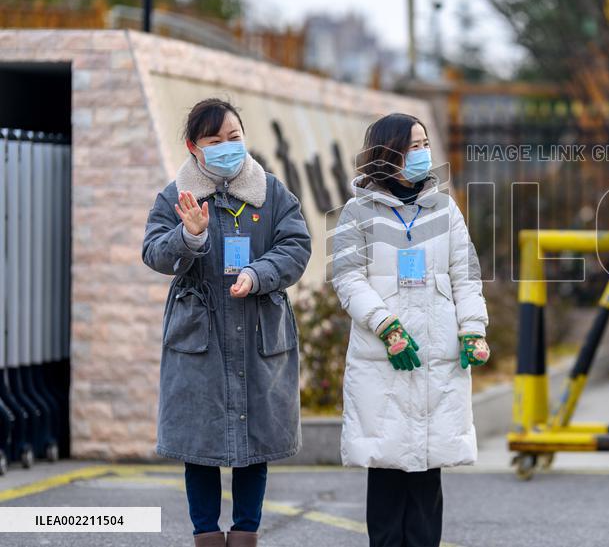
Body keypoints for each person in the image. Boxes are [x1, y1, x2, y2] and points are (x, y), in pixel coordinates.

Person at [142, 98, 311, 547]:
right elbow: (154, 252)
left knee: (254, 445)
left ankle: (245, 535)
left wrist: (258, 274)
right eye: (214, 140)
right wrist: (190, 234)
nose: (227, 147)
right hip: (200, 336)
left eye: (234, 138)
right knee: (199, 448)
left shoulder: (272, 192)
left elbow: (296, 247)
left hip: (258, 329)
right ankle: (205, 536)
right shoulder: (176, 196)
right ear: (193, 147)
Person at [331, 112, 490, 547]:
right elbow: (348, 278)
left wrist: (473, 329)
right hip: (382, 358)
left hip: (435, 359)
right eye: (412, 146)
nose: (422, 154)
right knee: (386, 476)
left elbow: (466, 275)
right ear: (388, 153)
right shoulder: (358, 211)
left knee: (425, 479)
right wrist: (385, 325)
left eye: (424, 144)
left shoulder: (445, 208)